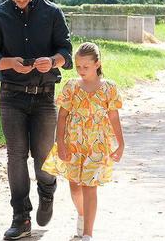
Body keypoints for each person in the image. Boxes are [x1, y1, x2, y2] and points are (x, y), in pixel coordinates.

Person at [0, 0, 73, 240]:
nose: (20, 0)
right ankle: (20, 217)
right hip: (11, 97)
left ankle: (47, 191)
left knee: (43, 158)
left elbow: (66, 53)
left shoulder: (52, 13)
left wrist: (52, 61)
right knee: (16, 156)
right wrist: (9, 62)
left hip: (45, 97)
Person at [42, 42, 124, 241]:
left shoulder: (109, 88)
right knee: (75, 187)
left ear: (97, 64)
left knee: (90, 186)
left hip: (96, 144)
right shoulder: (71, 86)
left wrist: (120, 144)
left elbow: (113, 117)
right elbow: (62, 116)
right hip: (74, 143)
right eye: (78, 66)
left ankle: (88, 233)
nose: (81, 71)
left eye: (85, 67)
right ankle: (82, 214)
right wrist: (60, 143)